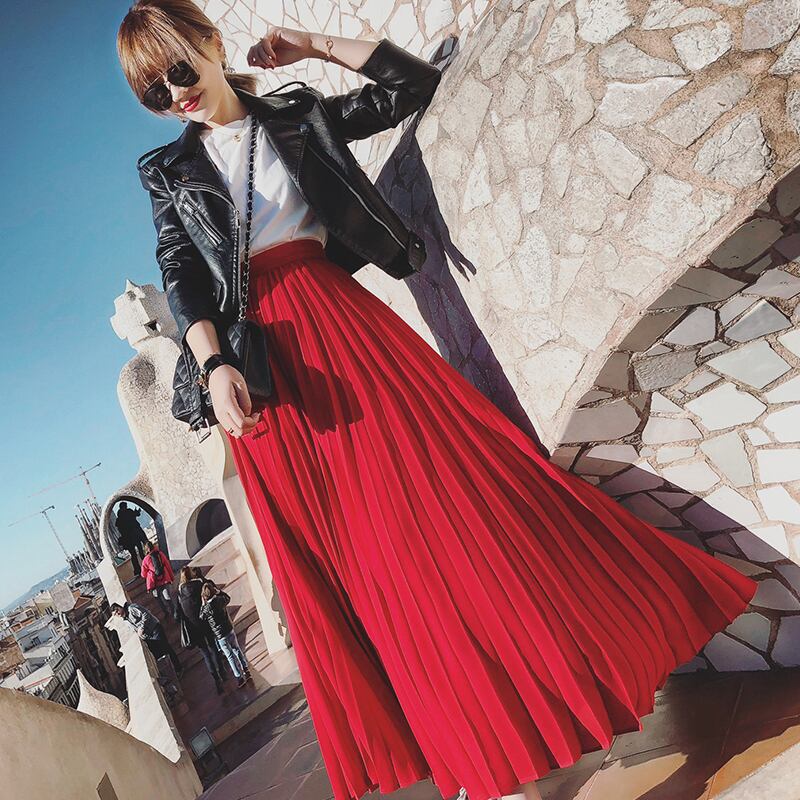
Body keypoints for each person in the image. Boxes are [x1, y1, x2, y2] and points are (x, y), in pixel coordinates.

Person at [118, 5, 758, 800]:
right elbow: (181, 273)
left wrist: (311, 46)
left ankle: (522, 722)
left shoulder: (295, 115)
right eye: (153, 91)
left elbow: (409, 87)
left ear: (211, 44)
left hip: (344, 333)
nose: (174, 94)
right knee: (362, 569)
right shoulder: (167, 170)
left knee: (446, 514)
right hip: (265, 384)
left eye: (180, 69)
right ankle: (475, 756)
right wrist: (213, 363)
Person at [177, 566, 226, 693]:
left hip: (193, 628)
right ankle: (222, 672)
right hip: (205, 622)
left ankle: (216, 679)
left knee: (205, 654)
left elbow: (177, 614)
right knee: (213, 647)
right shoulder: (199, 584)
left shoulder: (180, 593)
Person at [199, 581, 251, 688]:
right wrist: (219, 592)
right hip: (228, 629)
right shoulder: (220, 600)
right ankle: (246, 669)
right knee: (237, 649)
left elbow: (201, 616)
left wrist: (203, 604)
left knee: (229, 656)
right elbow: (228, 598)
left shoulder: (206, 608)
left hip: (220, 636)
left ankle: (239, 677)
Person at [111, 601, 182, 676]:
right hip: (148, 637)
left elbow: (146, 614)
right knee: (158, 656)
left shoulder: (131, 608)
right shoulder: (125, 621)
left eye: (117, 610)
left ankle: (179, 669)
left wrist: (142, 627)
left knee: (166, 648)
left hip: (154, 629)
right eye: (115, 614)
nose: (117, 613)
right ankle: (171, 673)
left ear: (120, 607)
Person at [141, 541, 177, 619]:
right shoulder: (160, 554)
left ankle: (166, 612)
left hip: (153, 583)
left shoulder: (145, 560)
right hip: (164, 579)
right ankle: (174, 612)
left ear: (146, 550)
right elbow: (167, 565)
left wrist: (149, 573)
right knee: (168, 597)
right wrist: (171, 577)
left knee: (158, 599)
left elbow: (143, 574)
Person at [114, 501, 149, 574]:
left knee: (134, 555)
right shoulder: (128, 512)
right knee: (141, 551)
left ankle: (137, 570)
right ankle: (147, 566)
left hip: (128, 539)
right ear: (124, 507)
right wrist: (137, 512)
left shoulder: (119, 519)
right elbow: (137, 514)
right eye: (126, 506)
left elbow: (120, 528)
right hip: (135, 535)